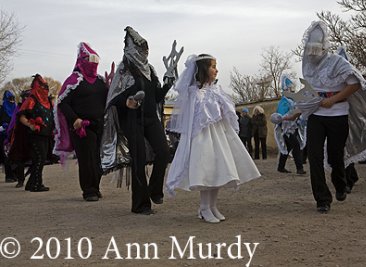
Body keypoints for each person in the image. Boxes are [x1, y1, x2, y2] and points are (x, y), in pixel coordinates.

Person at [301, 21, 366, 213]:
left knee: (335, 155)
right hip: (316, 114)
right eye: (309, 49)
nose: (312, 53)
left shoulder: (338, 62)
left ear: (324, 46)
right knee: (314, 156)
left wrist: (334, 99)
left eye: (316, 49)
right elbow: (309, 88)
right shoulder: (307, 63)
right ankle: (322, 200)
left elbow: (355, 84)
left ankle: (340, 184)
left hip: (338, 114)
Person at [166, 54, 261, 223]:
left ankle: (212, 205)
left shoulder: (216, 91)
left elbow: (227, 112)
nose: (216, 70)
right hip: (202, 136)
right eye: (212, 66)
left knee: (219, 169)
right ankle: (204, 207)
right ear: (203, 69)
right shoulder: (194, 93)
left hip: (219, 134)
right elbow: (191, 118)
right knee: (207, 171)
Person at [101, 26, 172, 214]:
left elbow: (156, 97)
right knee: (138, 160)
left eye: (146, 50)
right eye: (141, 50)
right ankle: (140, 204)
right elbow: (113, 99)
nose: (144, 53)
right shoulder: (124, 70)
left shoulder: (150, 70)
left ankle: (154, 191)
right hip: (132, 121)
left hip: (150, 119)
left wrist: (167, 84)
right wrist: (127, 101)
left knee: (164, 151)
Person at [55, 42, 108, 201]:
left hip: (99, 125)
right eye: (89, 60)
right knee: (87, 159)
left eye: (95, 61)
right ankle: (88, 190)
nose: (93, 64)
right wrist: (75, 119)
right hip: (81, 127)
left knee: (98, 158)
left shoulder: (101, 81)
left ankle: (96, 187)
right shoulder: (73, 81)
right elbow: (62, 103)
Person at [17, 74, 54, 192]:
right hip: (35, 135)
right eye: (43, 86)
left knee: (42, 159)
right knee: (39, 158)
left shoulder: (48, 101)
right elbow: (22, 116)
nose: (45, 89)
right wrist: (30, 125)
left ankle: (31, 183)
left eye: (46, 86)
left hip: (46, 134)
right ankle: (37, 184)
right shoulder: (31, 100)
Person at [274, 75, 306, 175]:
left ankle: (281, 167)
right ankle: (299, 168)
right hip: (287, 129)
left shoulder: (292, 100)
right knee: (296, 146)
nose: (291, 90)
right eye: (289, 88)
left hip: (294, 126)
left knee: (287, 147)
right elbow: (281, 116)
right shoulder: (284, 102)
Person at [0, 90, 17, 183]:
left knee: (14, 156)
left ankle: (14, 174)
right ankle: (9, 176)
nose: (12, 101)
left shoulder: (15, 109)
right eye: (10, 99)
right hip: (3, 137)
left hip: (13, 135)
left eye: (13, 99)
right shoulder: (2, 110)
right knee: (6, 156)